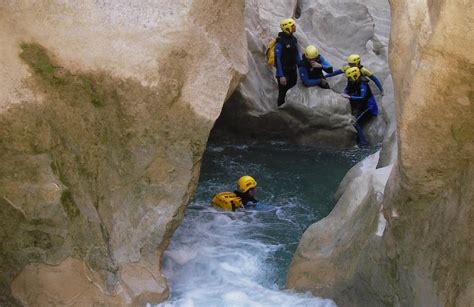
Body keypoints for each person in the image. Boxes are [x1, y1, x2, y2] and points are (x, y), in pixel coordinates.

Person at [340, 67, 379, 146]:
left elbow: (362, 97)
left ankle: (363, 143)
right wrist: (345, 93)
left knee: (356, 123)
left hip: (369, 107)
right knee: (354, 119)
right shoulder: (352, 81)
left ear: (355, 76)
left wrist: (350, 97)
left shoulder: (363, 84)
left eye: (349, 78)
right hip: (362, 106)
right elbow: (347, 89)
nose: (349, 79)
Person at [274, 18, 301, 106]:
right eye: (293, 26)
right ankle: (280, 110)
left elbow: (296, 54)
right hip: (284, 72)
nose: (295, 27)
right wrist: (281, 75)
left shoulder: (293, 39)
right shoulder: (280, 42)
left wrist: (301, 65)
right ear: (288, 28)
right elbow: (277, 59)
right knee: (282, 93)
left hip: (293, 70)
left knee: (292, 90)